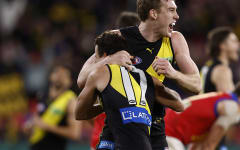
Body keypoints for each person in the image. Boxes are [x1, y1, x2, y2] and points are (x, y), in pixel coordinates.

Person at [78, 0, 202, 149]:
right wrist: (109, 60)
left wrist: (174, 73)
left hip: (154, 129)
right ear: (153, 13)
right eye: (171, 10)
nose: (177, 16)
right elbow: (82, 80)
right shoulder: (118, 37)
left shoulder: (174, 40)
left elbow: (197, 85)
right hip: (119, 126)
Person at [75, 30, 184, 150]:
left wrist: (108, 104)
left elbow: (79, 112)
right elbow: (179, 105)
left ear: (105, 56)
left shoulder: (99, 72)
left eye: (96, 57)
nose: (95, 61)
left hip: (115, 143)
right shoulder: (148, 79)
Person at [165, 78, 240, 150]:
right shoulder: (233, 109)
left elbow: (199, 145)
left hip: (165, 127)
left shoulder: (223, 98)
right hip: (168, 133)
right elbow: (209, 145)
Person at [89, 11, 141, 150]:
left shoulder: (100, 67)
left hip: (102, 138)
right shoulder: (138, 67)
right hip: (125, 137)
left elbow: (85, 106)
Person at [24, 64, 81, 150]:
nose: (59, 76)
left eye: (64, 75)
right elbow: (36, 122)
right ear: (50, 76)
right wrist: (28, 128)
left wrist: (47, 127)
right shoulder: (42, 96)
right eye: (57, 72)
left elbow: (75, 134)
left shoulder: (71, 100)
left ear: (70, 82)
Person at [201, 27, 240, 93]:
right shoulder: (222, 70)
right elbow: (228, 101)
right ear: (222, 45)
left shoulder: (208, 66)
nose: (239, 44)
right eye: (234, 41)